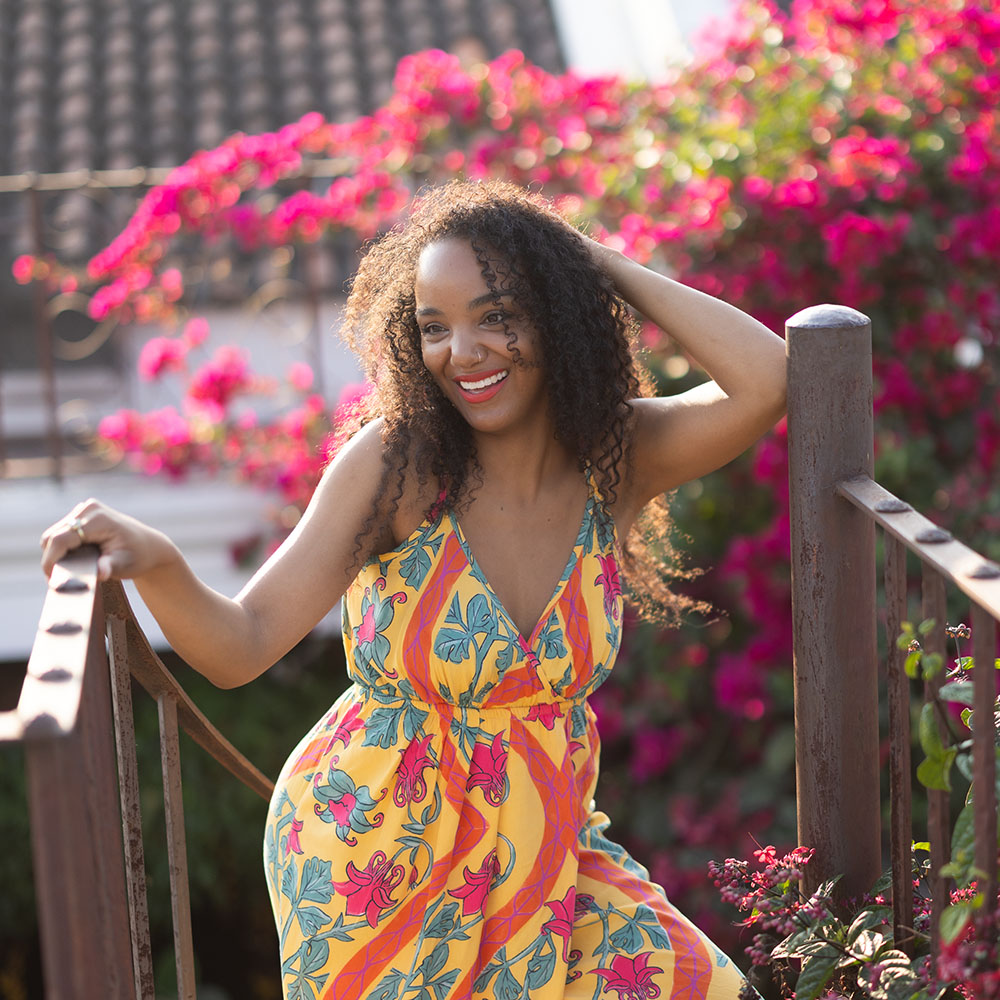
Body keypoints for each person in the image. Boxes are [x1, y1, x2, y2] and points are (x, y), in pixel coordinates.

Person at [40, 179, 785, 999]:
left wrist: (594, 264)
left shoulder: (616, 456)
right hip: (376, 849)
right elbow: (241, 646)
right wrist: (156, 559)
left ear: (558, 315)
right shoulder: (396, 466)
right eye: (436, 327)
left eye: (496, 315)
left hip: (549, 856)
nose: (461, 353)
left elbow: (768, 379)